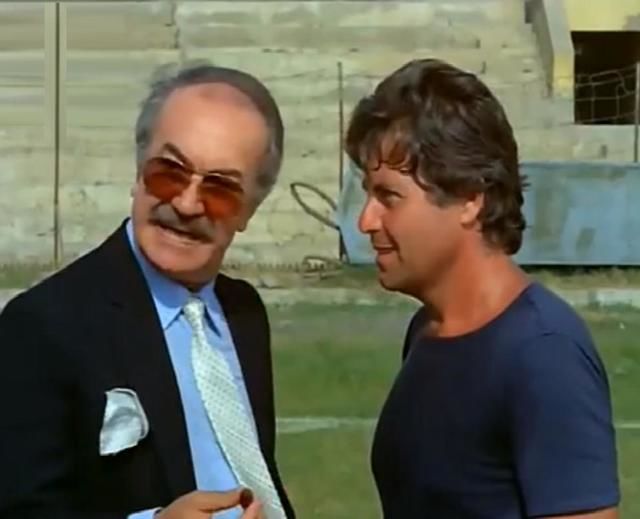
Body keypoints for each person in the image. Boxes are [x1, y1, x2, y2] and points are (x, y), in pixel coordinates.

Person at [0, 63, 295, 519]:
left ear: (248, 211)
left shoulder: (244, 314)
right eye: (169, 173)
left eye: (220, 189)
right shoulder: (44, 326)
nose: (187, 204)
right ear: (139, 172)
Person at [345, 58, 620, 518]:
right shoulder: (427, 331)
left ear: (470, 199)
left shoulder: (543, 354)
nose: (366, 221)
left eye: (388, 196)